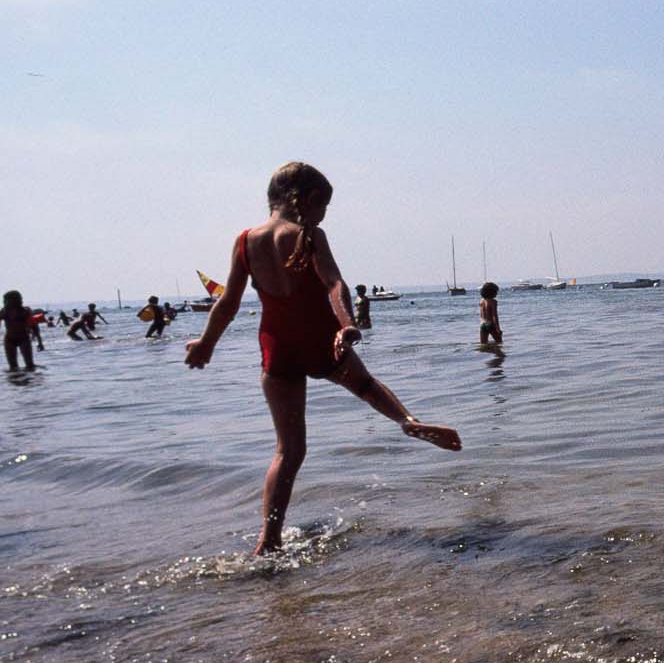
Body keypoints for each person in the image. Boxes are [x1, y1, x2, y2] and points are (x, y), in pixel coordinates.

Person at [184, 161, 461, 554]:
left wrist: (206, 343)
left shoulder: (246, 241)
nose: (323, 216)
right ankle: (408, 422)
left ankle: (269, 540)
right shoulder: (309, 235)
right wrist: (346, 324)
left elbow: (228, 302)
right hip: (319, 341)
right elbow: (334, 283)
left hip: (277, 350)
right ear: (311, 201)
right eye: (324, 208)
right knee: (365, 386)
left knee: (288, 451)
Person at [3, 290, 35, 371]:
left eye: (5, 301)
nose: (22, 300)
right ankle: (16, 379)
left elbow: (34, 326)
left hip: (23, 338)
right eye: (4, 301)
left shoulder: (25, 311)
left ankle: (31, 380)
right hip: (9, 340)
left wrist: (40, 341)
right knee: (13, 367)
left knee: (30, 365)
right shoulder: (4, 311)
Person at [477, 282, 503, 346]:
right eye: (496, 292)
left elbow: (481, 315)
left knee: (483, 345)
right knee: (499, 342)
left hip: (482, 324)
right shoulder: (493, 301)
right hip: (490, 324)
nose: (497, 293)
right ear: (492, 292)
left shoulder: (481, 301)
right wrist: (498, 329)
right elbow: (494, 316)